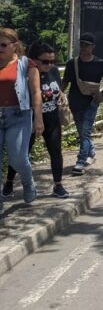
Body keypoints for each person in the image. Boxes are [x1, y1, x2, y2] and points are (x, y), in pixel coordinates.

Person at [2, 41, 69, 199]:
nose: (50, 65)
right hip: (27, 120)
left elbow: (57, 87)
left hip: (51, 118)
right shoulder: (25, 73)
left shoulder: (53, 72)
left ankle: (58, 185)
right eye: (45, 61)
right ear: (34, 59)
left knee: (55, 151)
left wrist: (61, 94)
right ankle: (9, 182)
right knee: (20, 154)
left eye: (53, 61)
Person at [0, 28, 43, 213]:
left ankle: (28, 183)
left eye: (3, 45)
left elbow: (36, 92)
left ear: (14, 46)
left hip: (19, 116)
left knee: (18, 158)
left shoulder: (27, 64)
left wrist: (38, 119)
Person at [61, 32, 103, 176]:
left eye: (87, 45)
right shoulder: (72, 63)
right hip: (75, 102)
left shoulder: (100, 63)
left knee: (85, 132)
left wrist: (102, 93)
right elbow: (65, 81)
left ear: (93, 47)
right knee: (82, 133)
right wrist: (59, 94)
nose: (83, 47)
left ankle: (80, 161)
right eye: (82, 44)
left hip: (92, 102)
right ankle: (91, 151)